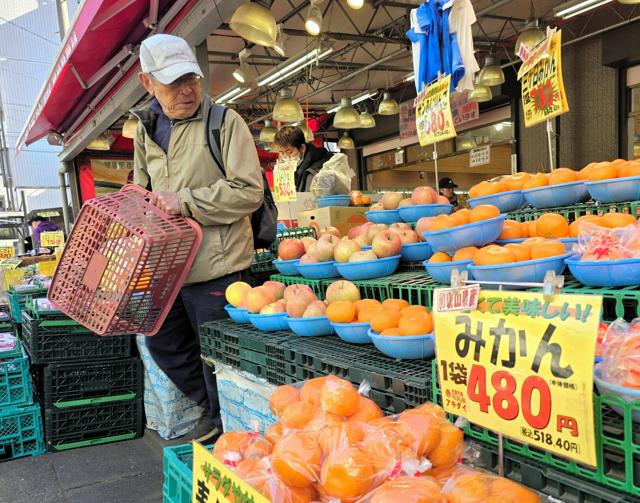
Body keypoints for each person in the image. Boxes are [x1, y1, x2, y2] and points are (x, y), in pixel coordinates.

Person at [132, 34, 264, 442]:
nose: (187, 90)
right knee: (164, 342)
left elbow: (249, 191)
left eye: (191, 78)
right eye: (173, 82)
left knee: (220, 357)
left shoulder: (224, 122)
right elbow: (143, 191)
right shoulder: (146, 130)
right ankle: (216, 413)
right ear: (147, 83)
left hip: (219, 266)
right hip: (170, 268)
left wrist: (184, 201)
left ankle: (230, 432)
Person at [274, 126, 333, 192]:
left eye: (289, 152)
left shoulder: (318, 170)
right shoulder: (296, 169)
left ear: (302, 148)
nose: (286, 157)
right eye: (282, 153)